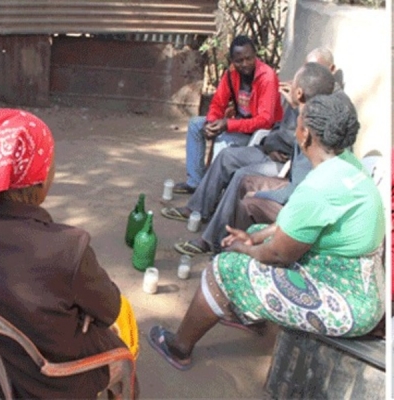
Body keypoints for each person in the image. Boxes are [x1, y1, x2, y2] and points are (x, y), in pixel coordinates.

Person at [147, 91, 385, 371]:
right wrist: (255, 236)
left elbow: (277, 255)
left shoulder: (318, 187)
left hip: (346, 303)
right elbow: (296, 225)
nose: (294, 127)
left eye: (298, 122)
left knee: (224, 267)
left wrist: (244, 248)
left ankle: (179, 348)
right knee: (258, 229)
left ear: (306, 135)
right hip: (354, 280)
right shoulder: (346, 164)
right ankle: (250, 311)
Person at [0, 109, 137, 399]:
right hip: (52, 382)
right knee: (125, 352)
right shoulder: (68, 247)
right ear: (39, 178)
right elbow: (109, 309)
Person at [168, 60, 336, 255]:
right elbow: (277, 131)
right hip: (269, 149)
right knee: (227, 156)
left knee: (242, 177)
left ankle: (212, 241)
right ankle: (198, 209)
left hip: (283, 164)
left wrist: (259, 194)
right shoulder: (299, 105)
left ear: (300, 92)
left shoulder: (314, 124)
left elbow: (296, 175)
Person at [172, 35, 283, 195]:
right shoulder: (231, 73)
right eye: (239, 61)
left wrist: (228, 125)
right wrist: (211, 122)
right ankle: (195, 182)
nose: (245, 64)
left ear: (255, 56)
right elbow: (218, 103)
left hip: (259, 132)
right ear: (232, 60)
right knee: (196, 124)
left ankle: (211, 193)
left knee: (224, 140)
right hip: (239, 124)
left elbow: (265, 121)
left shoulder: (267, 77)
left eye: (248, 59)